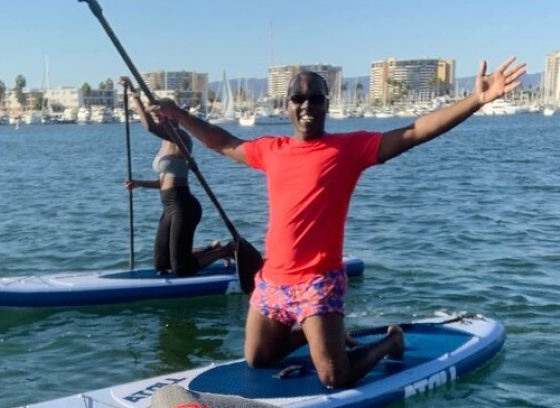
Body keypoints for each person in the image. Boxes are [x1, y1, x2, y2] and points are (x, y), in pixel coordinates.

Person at [147, 57, 526, 388]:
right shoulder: (271, 151)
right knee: (258, 359)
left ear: (326, 104)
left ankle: (389, 342)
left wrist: (476, 100)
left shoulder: (349, 149)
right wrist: (177, 114)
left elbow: (415, 132)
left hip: (318, 281)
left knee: (334, 376)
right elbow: (222, 142)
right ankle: (321, 336)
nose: (307, 105)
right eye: (299, 98)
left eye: (315, 98)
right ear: (287, 106)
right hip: (273, 280)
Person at [119, 77, 234, 277]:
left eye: (161, 114)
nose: (157, 117)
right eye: (156, 115)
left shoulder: (181, 137)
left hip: (183, 205)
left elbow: (149, 127)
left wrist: (134, 94)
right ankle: (211, 249)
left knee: (180, 269)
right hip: (169, 207)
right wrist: (139, 184)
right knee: (161, 265)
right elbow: (165, 182)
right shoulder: (165, 142)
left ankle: (226, 251)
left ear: (171, 115)